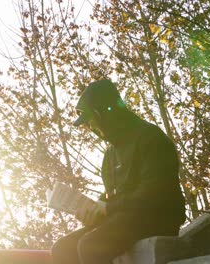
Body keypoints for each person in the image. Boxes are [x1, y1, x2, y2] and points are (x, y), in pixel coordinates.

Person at [51, 79, 186, 264]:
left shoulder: (150, 137)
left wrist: (107, 208)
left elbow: (154, 193)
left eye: (91, 121)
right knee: (62, 248)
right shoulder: (110, 154)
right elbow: (113, 196)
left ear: (103, 113)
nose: (90, 128)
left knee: (90, 246)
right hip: (124, 218)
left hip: (157, 218)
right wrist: (93, 209)